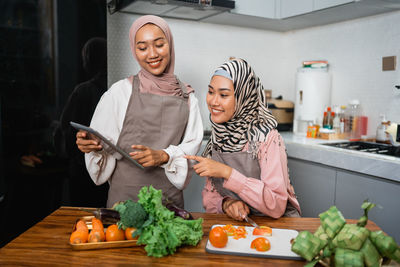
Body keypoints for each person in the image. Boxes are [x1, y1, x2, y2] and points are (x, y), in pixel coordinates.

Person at [76, 15, 203, 208]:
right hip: (124, 203)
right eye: (142, 48)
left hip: (170, 207)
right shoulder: (119, 92)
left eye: (159, 44)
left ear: (170, 44)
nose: (152, 54)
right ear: (134, 51)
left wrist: (164, 156)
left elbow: (193, 150)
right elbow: (102, 144)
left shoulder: (188, 97)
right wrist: (93, 145)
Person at [185, 58, 300, 221]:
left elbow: (276, 205)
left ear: (243, 97)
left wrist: (227, 172)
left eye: (223, 95)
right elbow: (210, 198)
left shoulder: (267, 138)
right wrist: (227, 204)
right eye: (211, 92)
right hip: (242, 226)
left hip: (278, 227)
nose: (213, 101)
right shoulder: (219, 134)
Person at [58, 37, 109, 207]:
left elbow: (65, 130)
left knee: (84, 222)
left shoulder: (83, 91)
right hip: (110, 170)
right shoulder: (118, 87)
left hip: (83, 172)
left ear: (89, 59)